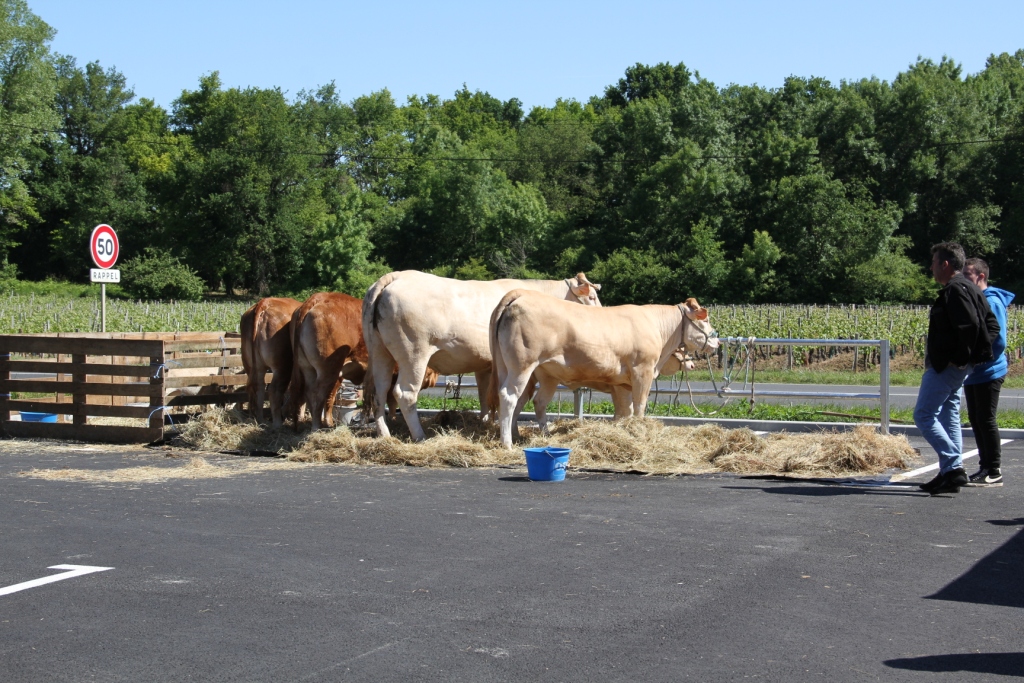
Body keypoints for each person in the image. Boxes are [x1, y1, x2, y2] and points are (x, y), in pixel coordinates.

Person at [915, 242, 1000, 496]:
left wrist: (960, 359)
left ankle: (953, 468)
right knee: (948, 415)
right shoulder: (972, 289)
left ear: (945, 264)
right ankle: (949, 472)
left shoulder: (955, 289)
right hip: (960, 367)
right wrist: (973, 360)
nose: (930, 268)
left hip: (947, 366)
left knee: (924, 415)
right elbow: (991, 326)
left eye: (933, 263)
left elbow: (971, 327)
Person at [962, 258, 1014, 487]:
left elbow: (998, 339)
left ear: (981, 276)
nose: (963, 279)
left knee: (986, 419)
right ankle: (985, 467)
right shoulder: (977, 299)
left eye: (967, 274)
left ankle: (993, 470)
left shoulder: (991, 301)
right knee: (976, 419)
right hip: (974, 371)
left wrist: (979, 360)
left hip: (989, 369)